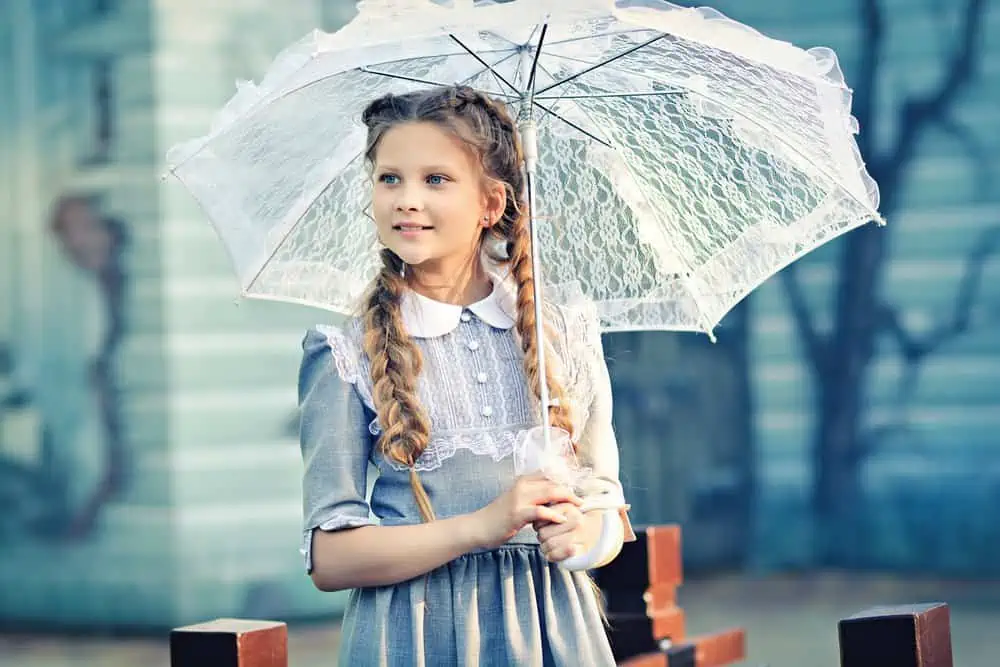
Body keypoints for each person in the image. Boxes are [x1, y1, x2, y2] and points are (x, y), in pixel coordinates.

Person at [298, 85, 634, 666]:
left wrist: (584, 538)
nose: (406, 199)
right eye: (389, 178)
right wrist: (483, 525)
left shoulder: (563, 332)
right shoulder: (346, 351)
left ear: (491, 203)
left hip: (551, 627)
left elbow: (608, 506)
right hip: (417, 633)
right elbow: (330, 559)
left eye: (435, 180)